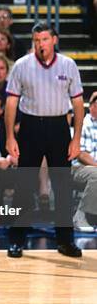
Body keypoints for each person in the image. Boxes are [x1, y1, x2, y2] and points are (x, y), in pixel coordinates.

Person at [5, 22, 84, 258]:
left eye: (45, 39)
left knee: (62, 187)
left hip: (60, 127)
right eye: (37, 40)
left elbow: (78, 104)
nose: (40, 44)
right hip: (30, 127)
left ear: (54, 40)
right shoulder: (22, 65)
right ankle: (17, 240)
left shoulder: (69, 65)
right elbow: (11, 102)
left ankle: (65, 241)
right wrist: (10, 136)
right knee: (24, 186)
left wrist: (76, 138)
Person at [71, 91, 97, 233]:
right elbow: (81, 154)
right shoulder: (84, 124)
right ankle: (79, 216)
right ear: (91, 106)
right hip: (79, 168)